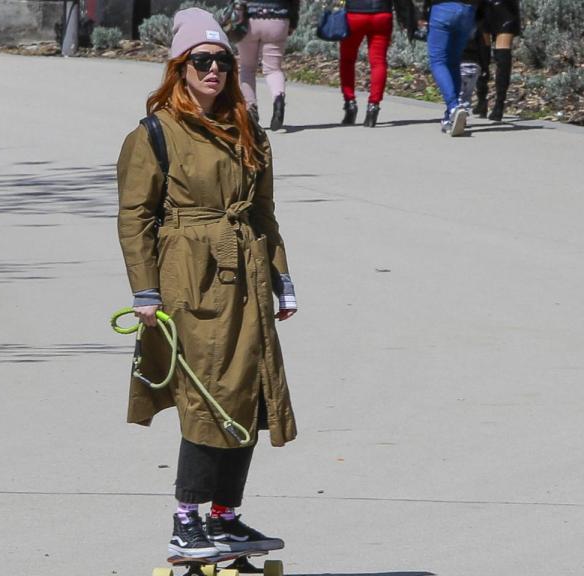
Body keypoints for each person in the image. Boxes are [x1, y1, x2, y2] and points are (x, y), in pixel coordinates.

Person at [116, 8, 299, 560]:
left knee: (249, 391)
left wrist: (281, 278)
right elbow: (135, 217)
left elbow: (262, 211)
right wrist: (145, 291)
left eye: (222, 60)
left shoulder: (249, 130)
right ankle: (186, 521)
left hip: (247, 277)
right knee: (206, 395)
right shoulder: (154, 134)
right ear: (181, 67)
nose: (214, 69)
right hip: (189, 280)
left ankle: (225, 517)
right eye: (202, 60)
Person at [337, 0, 421, 127]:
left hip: (355, 13)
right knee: (378, 62)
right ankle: (373, 106)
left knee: (347, 60)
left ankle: (350, 103)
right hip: (382, 14)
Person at [236, 0, 300, 131]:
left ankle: (251, 108)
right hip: (278, 19)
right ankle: (278, 98)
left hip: (249, 19)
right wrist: (293, 21)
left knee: (247, 68)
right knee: (273, 69)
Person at [422, 0, 481, 136]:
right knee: (454, 62)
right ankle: (449, 117)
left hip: (443, 7)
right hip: (467, 9)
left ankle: (453, 106)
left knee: (438, 61)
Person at [476, 0, 521, 120]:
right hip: (506, 6)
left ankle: (483, 99)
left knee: (483, 48)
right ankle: (498, 105)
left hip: (485, 6)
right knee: (502, 51)